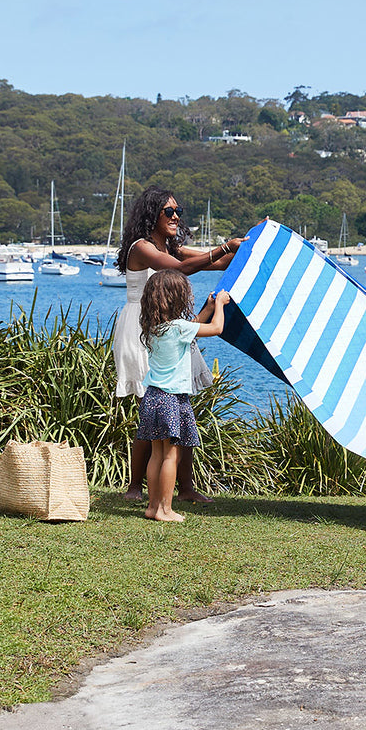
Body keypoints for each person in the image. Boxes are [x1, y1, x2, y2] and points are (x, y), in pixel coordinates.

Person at [113, 187, 247, 503]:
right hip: (142, 326)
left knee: (180, 406)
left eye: (178, 211)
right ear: (152, 215)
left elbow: (213, 262)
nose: (175, 217)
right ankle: (135, 487)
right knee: (152, 409)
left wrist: (248, 247)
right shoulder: (142, 247)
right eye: (168, 212)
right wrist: (224, 247)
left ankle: (185, 489)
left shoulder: (171, 246)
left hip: (170, 326)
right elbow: (176, 268)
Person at [136, 271, 231, 522]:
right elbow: (216, 328)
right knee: (171, 456)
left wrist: (208, 308)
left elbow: (192, 328)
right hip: (171, 399)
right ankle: (165, 510)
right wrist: (219, 305)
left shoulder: (154, 327)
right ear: (178, 299)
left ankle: (152, 507)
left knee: (157, 455)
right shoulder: (179, 327)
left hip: (152, 397)